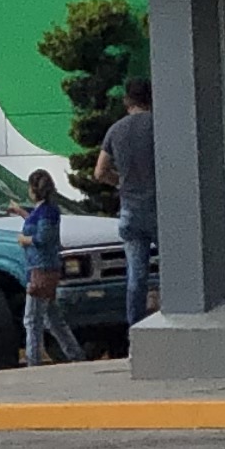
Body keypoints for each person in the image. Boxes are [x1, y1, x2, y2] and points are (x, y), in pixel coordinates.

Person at [95, 77, 158, 327]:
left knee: (136, 276)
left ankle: (135, 330)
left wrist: (121, 183)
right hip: (160, 208)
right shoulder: (158, 125)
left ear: (126, 100)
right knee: (174, 269)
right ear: (150, 98)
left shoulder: (116, 130)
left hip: (130, 210)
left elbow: (100, 172)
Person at [18, 168, 78, 367]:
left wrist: (25, 240)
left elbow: (43, 237)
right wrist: (21, 212)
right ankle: (75, 354)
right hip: (42, 267)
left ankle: (33, 360)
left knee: (32, 319)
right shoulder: (44, 210)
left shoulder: (47, 212)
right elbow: (36, 224)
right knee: (52, 317)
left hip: (41, 269)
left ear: (34, 189)